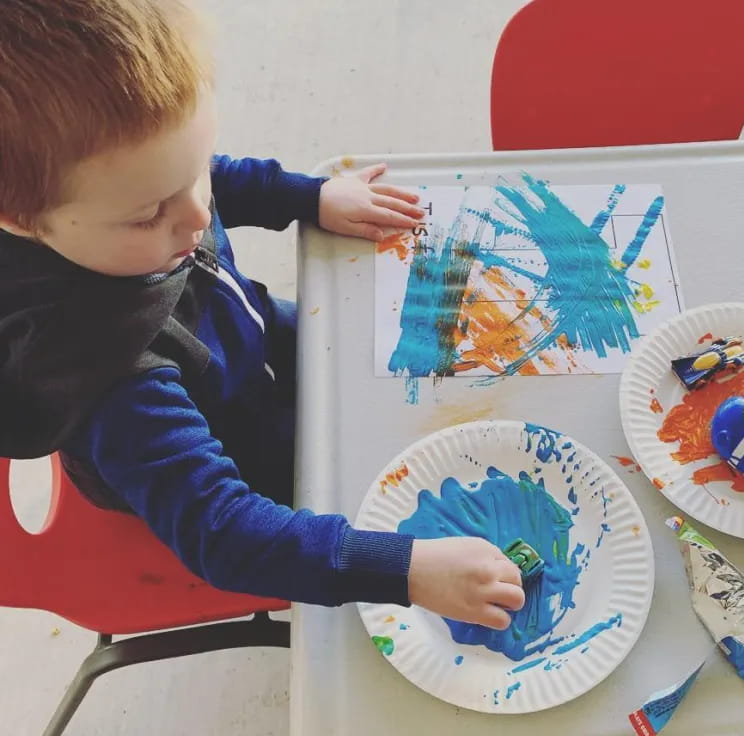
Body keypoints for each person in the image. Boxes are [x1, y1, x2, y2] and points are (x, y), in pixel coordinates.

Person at [0, 0, 524, 630]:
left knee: (413, 361)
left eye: (193, 173)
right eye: (149, 214)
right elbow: (226, 533)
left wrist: (309, 195)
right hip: (243, 456)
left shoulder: (136, 191)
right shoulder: (111, 383)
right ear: (24, 223)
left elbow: (209, 178)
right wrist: (403, 569)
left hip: (259, 346)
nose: (197, 217)